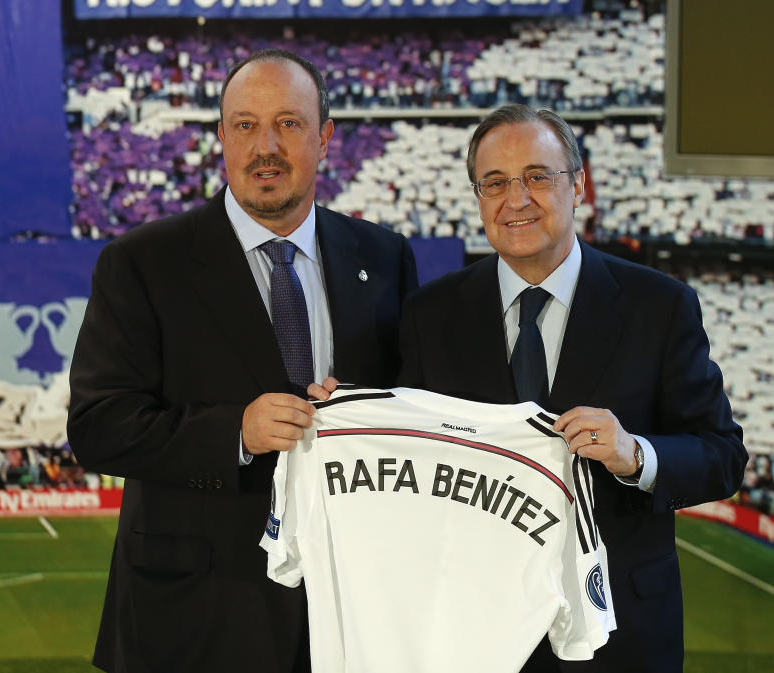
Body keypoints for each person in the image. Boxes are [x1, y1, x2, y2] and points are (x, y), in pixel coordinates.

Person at [317, 104, 746, 672]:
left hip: (621, 634)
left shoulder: (660, 306)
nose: (515, 199)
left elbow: (722, 455)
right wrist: (347, 416)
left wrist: (635, 453)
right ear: (478, 198)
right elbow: (411, 449)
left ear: (579, 186)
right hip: (475, 631)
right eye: (494, 183)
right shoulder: (431, 313)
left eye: (537, 177)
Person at [67, 50, 417, 673]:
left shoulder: (385, 259)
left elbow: (414, 408)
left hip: (346, 613)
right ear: (222, 137)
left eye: (288, 123)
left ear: (324, 138)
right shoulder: (142, 263)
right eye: (247, 125)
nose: (267, 147)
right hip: (191, 617)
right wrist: (236, 433)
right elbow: (98, 429)